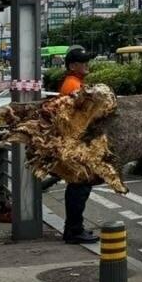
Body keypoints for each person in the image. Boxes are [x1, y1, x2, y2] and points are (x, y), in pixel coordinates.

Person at [57, 46, 98, 245]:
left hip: (75, 141)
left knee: (79, 186)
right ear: (73, 65)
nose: (86, 64)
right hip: (76, 143)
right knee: (79, 187)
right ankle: (73, 230)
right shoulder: (73, 86)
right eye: (83, 61)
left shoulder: (75, 82)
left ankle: (74, 228)